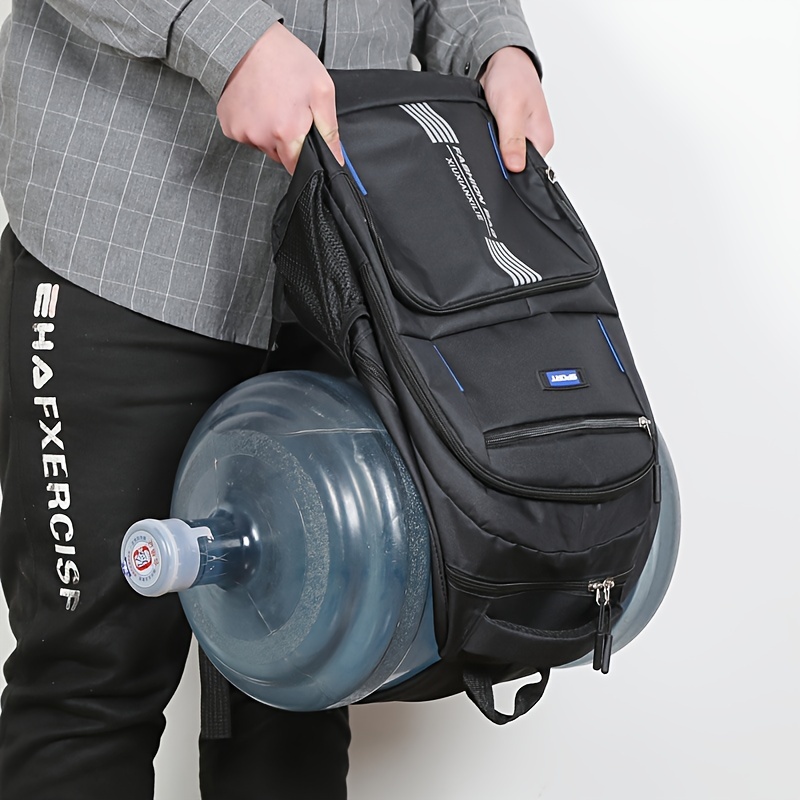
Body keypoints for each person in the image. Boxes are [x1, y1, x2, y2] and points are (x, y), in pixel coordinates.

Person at [0, 0, 554, 797]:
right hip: (123, 242)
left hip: (345, 258)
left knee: (306, 681)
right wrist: (225, 35)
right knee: (87, 686)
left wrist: (494, 46)